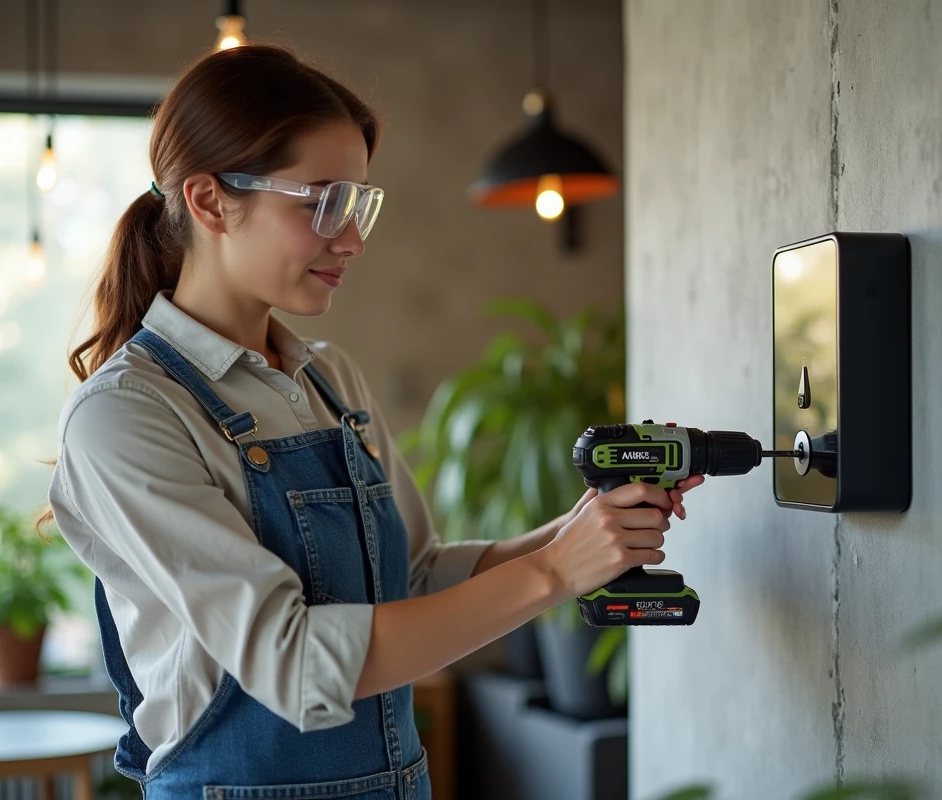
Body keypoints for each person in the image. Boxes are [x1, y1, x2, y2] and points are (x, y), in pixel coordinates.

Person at [44, 43, 703, 800]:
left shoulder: (328, 377)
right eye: (323, 202)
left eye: (358, 205)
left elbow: (414, 579)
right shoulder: (125, 416)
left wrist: (580, 531)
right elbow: (294, 662)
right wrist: (558, 571)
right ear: (209, 200)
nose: (352, 237)